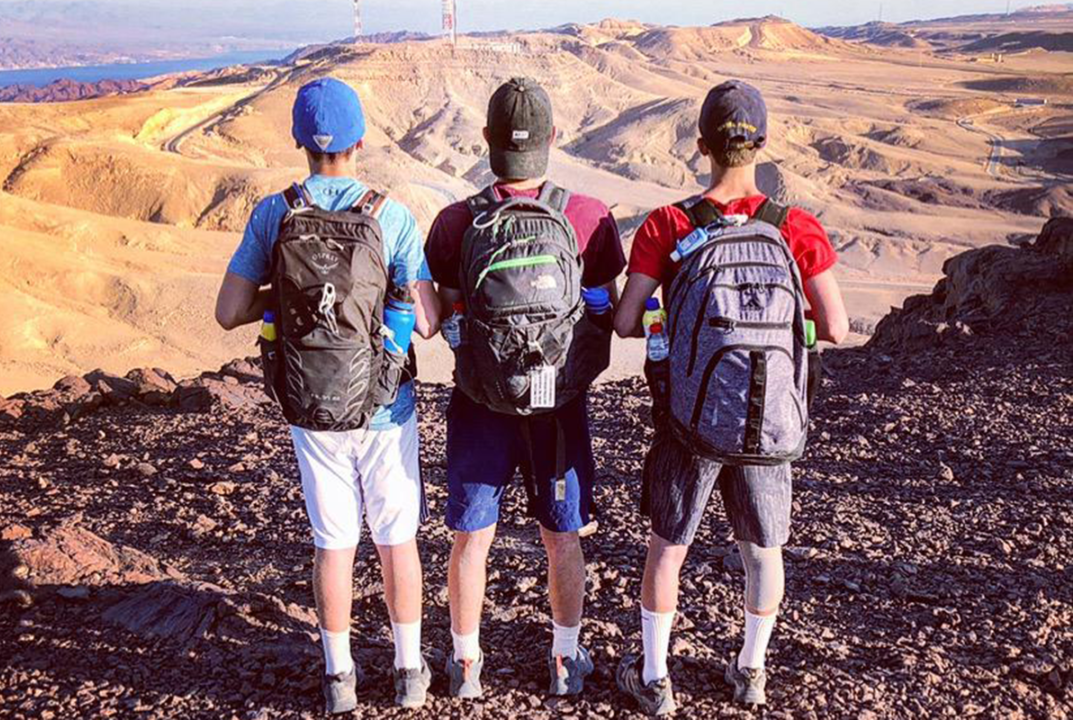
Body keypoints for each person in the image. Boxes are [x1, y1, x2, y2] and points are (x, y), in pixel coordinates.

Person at [612, 80, 850, 714]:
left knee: (669, 545)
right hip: (769, 419)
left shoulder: (669, 224)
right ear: (761, 146)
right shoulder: (796, 227)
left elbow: (626, 320)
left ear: (701, 147)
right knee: (762, 550)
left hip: (690, 419)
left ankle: (655, 678)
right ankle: (750, 671)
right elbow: (837, 327)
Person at [214, 77, 441, 714]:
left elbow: (229, 311)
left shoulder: (273, 214)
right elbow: (423, 319)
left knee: (333, 541)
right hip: (384, 402)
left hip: (311, 406)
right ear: (361, 140)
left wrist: (288, 301)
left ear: (297, 141)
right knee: (398, 538)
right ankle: (408, 670)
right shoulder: (390, 215)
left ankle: (339, 677)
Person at [425, 77, 626, 700]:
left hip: (481, 402)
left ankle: (464, 665)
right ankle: (565, 662)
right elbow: (601, 310)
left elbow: (451, 319)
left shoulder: (457, 222)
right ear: (553, 141)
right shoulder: (588, 218)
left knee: (472, 536)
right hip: (558, 405)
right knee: (561, 535)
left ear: (487, 141)